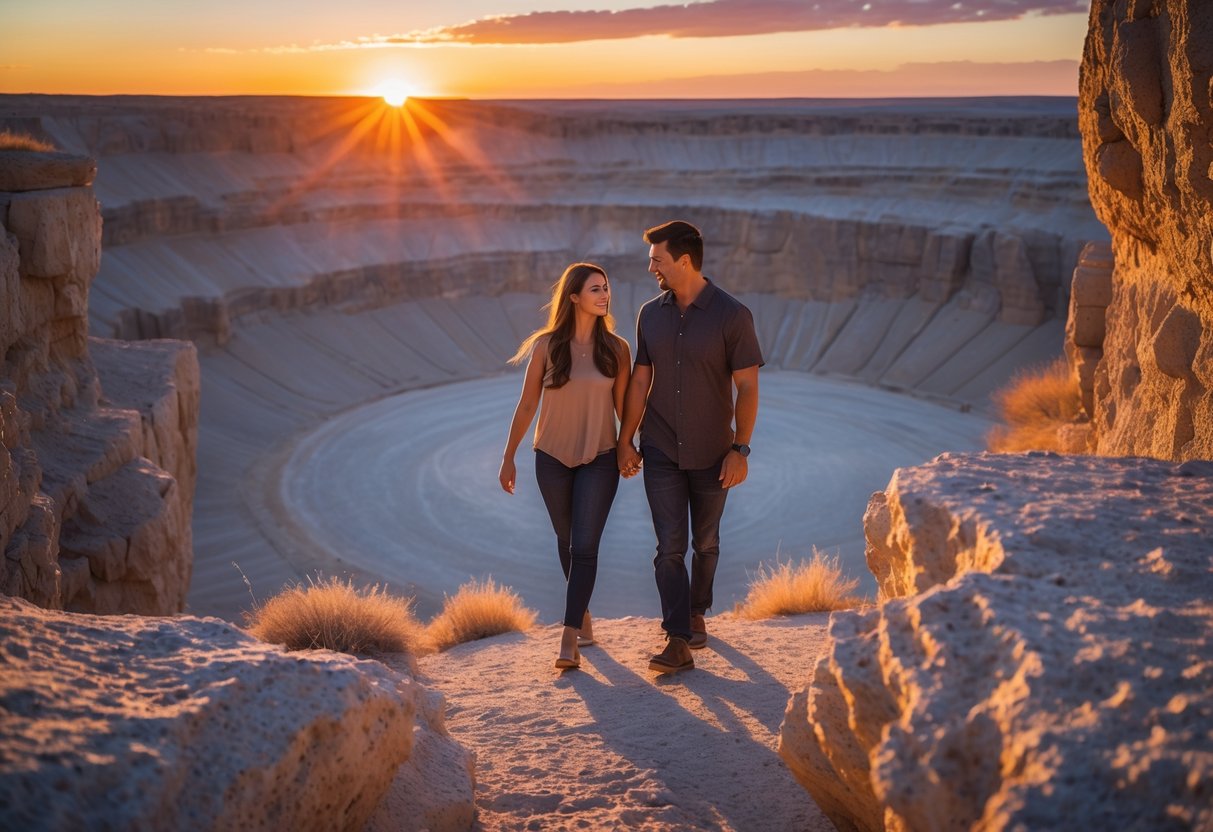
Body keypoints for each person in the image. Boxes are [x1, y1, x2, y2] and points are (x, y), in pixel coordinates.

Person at [618, 220, 763, 674]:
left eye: (656, 260)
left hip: (712, 451)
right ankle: (677, 638)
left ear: (683, 261)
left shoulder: (732, 315)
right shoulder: (650, 314)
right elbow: (641, 379)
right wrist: (625, 439)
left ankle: (698, 609)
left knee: (706, 541)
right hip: (659, 446)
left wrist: (740, 449)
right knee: (669, 547)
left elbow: (748, 387)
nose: (651, 268)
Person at [500, 262, 632, 670]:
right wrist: (509, 457)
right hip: (551, 458)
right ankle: (585, 616)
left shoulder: (617, 349)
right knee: (566, 538)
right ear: (574, 297)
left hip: (601, 457)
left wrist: (628, 448)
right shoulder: (546, 347)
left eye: (606, 288)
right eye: (595, 289)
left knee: (585, 546)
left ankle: (568, 635)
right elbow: (526, 406)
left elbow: (626, 410)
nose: (605, 295)